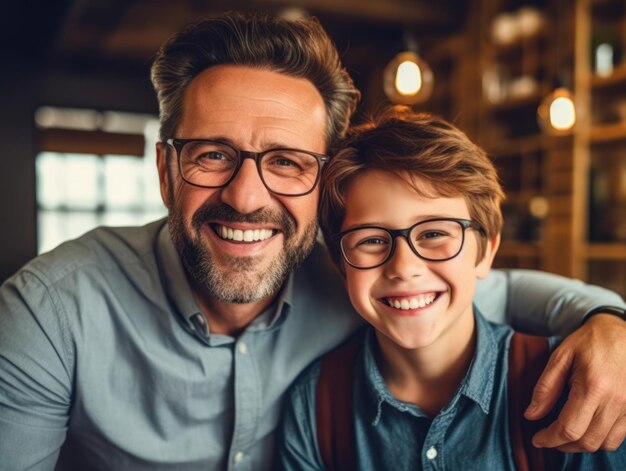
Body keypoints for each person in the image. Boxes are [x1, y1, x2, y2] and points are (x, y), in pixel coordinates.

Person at [0, 12, 625, 471]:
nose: (247, 197)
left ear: (320, 184)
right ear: (165, 170)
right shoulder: (48, 313)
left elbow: (499, 289)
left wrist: (611, 321)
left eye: (287, 161)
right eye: (213, 154)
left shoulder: (359, 275)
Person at [276, 109, 626, 470]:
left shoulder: (582, 386)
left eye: (433, 234)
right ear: (340, 265)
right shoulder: (314, 405)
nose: (404, 268)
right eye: (372, 240)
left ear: (486, 251)